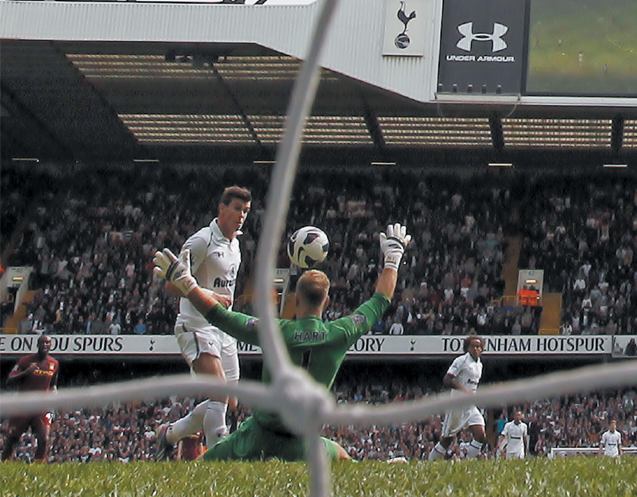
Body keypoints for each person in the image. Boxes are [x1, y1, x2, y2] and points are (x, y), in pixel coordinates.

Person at [153, 222, 411, 462]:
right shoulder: (341, 332)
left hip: (258, 437)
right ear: (327, 302)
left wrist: (186, 282)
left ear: (295, 302)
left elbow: (218, 315)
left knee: (202, 469)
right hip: (302, 443)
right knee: (342, 457)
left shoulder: (274, 332)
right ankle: (375, 468)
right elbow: (380, 300)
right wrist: (393, 258)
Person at [154, 186, 252, 461]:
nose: (241, 215)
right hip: (195, 325)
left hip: (224, 328)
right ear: (222, 209)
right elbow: (172, 284)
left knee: (229, 402)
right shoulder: (201, 242)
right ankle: (219, 462)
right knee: (219, 394)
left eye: (245, 211)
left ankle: (169, 435)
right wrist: (209, 296)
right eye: (236, 209)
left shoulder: (235, 243)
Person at [428, 336, 488, 460]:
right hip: (457, 404)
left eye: (479, 346)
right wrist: (464, 391)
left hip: (470, 405)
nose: (476, 349)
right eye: (473, 346)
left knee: (481, 435)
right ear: (467, 347)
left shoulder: (479, 364)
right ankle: (430, 462)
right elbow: (447, 380)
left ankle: (469, 462)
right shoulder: (461, 361)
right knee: (447, 440)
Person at [1, 335, 59, 462]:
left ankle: (38, 467)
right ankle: (4, 464)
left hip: (41, 407)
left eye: (48, 343)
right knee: (12, 439)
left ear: (51, 345)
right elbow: (10, 380)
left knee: (43, 439)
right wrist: (26, 372)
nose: (45, 345)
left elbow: (53, 384)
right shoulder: (25, 361)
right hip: (23, 405)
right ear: (37, 345)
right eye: (43, 343)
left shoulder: (54, 363)